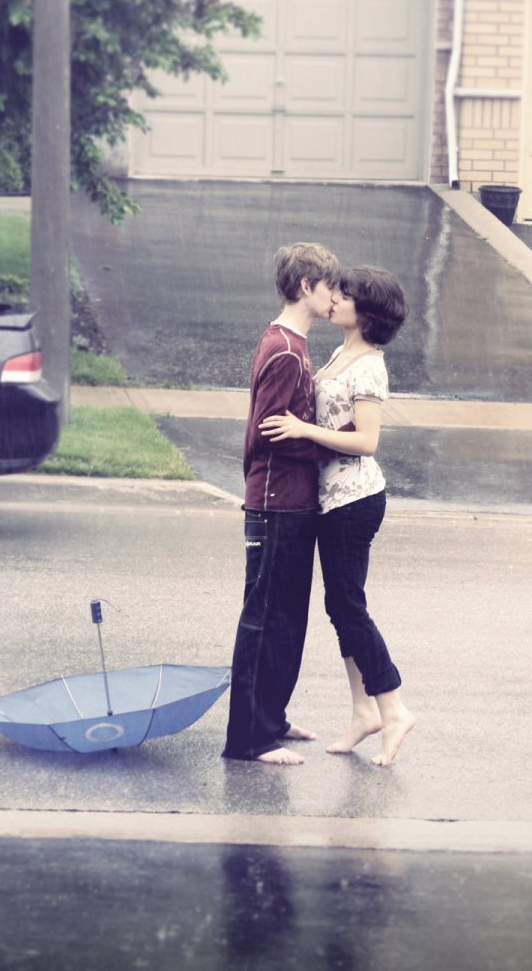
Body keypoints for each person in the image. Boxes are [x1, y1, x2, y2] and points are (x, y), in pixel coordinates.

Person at [259, 265, 416, 767]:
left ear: (366, 311)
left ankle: (392, 709)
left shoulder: (369, 364)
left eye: (346, 295)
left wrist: (304, 431)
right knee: (340, 605)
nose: (336, 299)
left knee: (348, 605)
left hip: (355, 502)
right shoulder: (340, 351)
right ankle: (361, 711)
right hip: (332, 499)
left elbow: (366, 441)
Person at [223, 241, 341, 765]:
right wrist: (333, 442)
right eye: (329, 286)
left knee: (289, 619)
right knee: (265, 620)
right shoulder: (286, 349)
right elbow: (272, 432)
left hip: (293, 504)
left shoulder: (293, 343)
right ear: (305, 288)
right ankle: (248, 738)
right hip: (275, 506)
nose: (336, 296)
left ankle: (271, 718)